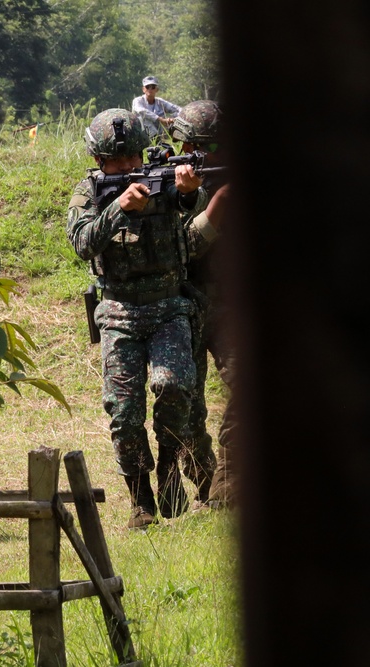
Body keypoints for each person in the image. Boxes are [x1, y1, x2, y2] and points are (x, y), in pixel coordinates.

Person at [67, 109, 209, 529]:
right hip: (118, 312)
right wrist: (119, 208)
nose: (129, 166)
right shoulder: (89, 191)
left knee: (173, 386)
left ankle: (169, 468)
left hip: (169, 307)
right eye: (119, 161)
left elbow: (194, 205)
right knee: (124, 413)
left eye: (134, 157)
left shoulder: (160, 177)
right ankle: (140, 498)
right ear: (99, 161)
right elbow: (80, 242)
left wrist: (186, 191)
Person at [171, 100, 237, 509]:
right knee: (184, 410)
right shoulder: (170, 184)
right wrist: (210, 204)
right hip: (185, 305)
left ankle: (229, 488)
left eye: (201, 147)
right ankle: (205, 482)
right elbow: (181, 250)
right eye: (187, 145)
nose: (189, 155)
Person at [131, 76, 181, 143]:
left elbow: (178, 109)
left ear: (157, 89)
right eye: (147, 87)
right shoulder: (138, 101)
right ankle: (157, 141)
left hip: (162, 132)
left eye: (153, 87)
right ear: (143, 89)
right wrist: (160, 119)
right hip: (141, 134)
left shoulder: (160, 102)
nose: (150, 89)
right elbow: (141, 110)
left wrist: (173, 119)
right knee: (144, 119)